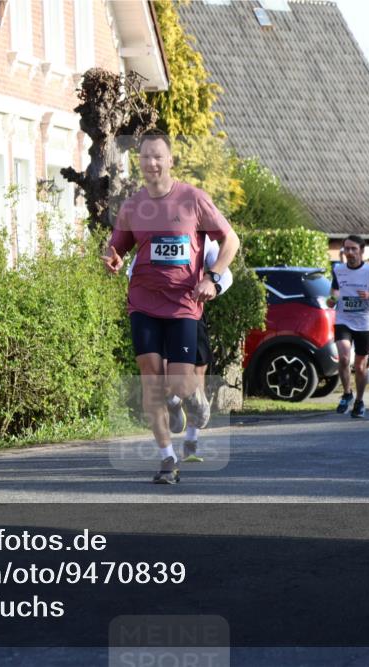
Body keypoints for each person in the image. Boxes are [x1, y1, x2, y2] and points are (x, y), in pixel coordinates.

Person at [103, 130, 240, 484]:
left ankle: (191, 398)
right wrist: (113, 258)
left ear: (170, 160)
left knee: (178, 383)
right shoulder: (133, 206)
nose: (151, 163)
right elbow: (118, 247)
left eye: (157, 156)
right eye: (145, 156)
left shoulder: (193, 199)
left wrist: (212, 276)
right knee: (151, 379)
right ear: (139, 162)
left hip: (183, 304)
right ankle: (167, 460)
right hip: (143, 302)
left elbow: (231, 240)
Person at [127, 237, 234, 462]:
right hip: (156, 312)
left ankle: (191, 441)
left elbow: (226, 274)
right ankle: (173, 403)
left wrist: (213, 287)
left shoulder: (203, 237)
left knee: (197, 371)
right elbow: (132, 271)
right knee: (164, 375)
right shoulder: (152, 233)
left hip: (190, 310)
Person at [329, 235, 369, 418]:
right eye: (346, 249)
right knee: (344, 357)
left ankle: (359, 401)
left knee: (361, 366)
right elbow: (335, 289)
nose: (349, 252)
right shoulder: (338, 269)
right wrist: (333, 298)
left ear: (361, 251)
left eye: (353, 249)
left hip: (364, 323)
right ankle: (347, 393)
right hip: (343, 320)